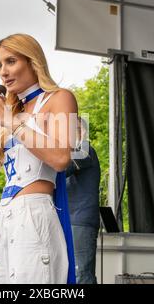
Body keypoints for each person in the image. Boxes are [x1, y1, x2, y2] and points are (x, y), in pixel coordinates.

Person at [0, 33, 78, 284]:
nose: (3, 71)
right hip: (5, 213)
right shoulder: (11, 112)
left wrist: (7, 119)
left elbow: (61, 157)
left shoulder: (59, 97)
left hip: (35, 211)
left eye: (11, 61)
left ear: (33, 62)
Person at [66, 117, 101, 284]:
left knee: (82, 275)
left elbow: (64, 169)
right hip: (70, 220)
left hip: (80, 221)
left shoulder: (85, 149)